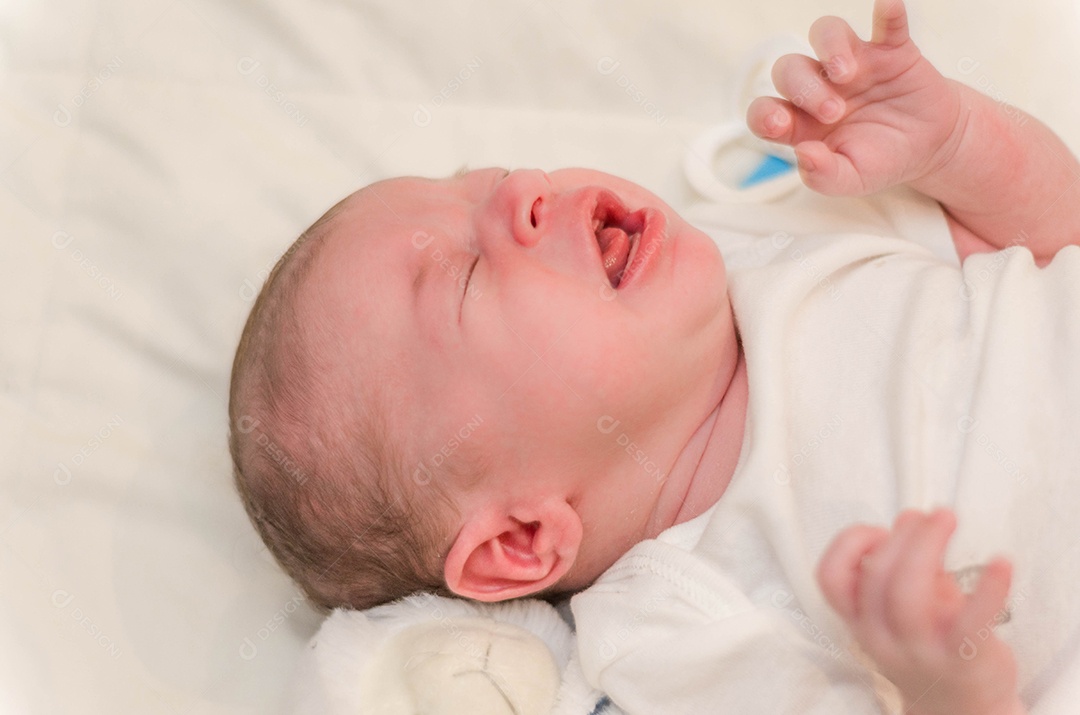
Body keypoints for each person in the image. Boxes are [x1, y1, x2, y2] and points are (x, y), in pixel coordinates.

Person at [229, 0, 1080, 712]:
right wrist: (952, 688)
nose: (526, 191)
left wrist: (954, 141)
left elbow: (1054, 236)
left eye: (489, 182)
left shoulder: (769, 238)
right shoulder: (671, 631)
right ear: (521, 539)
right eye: (467, 274)